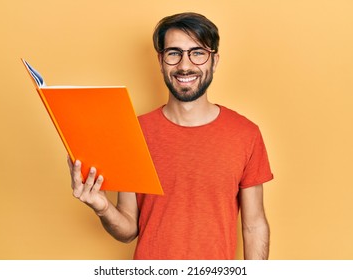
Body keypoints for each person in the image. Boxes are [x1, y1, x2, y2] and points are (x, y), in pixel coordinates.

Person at [68, 12, 273, 260]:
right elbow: (128, 228)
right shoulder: (134, 132)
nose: (185, 65)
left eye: (197, 53)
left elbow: (254, 225)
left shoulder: (246, 134)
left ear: (214, 61)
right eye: (174, 53)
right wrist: (102, 207)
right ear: (161, 60)